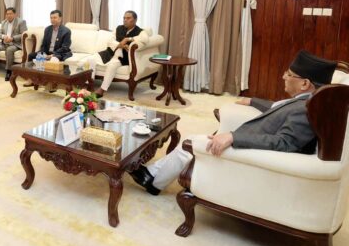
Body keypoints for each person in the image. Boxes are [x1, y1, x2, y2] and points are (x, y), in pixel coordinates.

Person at [129, 50, 337, 195]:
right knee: (197, 139)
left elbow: (284, 143)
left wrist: (234, 137)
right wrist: (253, 101)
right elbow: (279, 107)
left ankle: (153, 181)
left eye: (289, 74)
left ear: (304, 83)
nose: (284, 76)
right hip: (250, 141)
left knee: (190, 144)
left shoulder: (304, 110)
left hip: (251, 152)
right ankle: (153, 173)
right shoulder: (308, 102)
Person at [94, 11, 147, 97]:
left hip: (121, 58)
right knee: (91, 60)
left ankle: (102, 89)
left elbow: (145, 39)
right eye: (124, 18)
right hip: (109, 53)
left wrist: (128, 39)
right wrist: (120, 45)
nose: (125, 20)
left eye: (128, 18)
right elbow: (110, 41)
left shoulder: (140, 31)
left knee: (111, 66)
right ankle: (89, 84)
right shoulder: (118, 28)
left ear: (135, 20)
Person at [0, 7, 27, 81]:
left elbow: (23, 34)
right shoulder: (4, 22)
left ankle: (9, 71)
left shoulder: (21, 22)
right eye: (7, 14)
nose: (8, 15)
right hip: (4, 43)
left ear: (15, 14)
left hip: (15, 44)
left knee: (9, 50)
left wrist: (12, 38)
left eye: (10, 14)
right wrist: (4, 36)